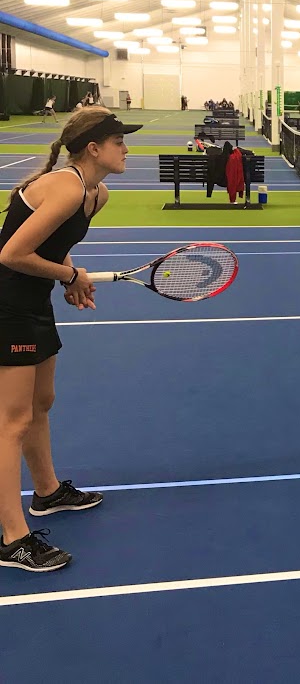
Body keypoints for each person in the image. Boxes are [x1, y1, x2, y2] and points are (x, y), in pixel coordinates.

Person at [0, 109, 142, 571]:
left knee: (41, 403)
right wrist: (69, 275)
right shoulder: (67, 187)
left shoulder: (97, 194)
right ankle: (13, 539)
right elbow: (11, 253)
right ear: (93, 149)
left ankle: (47, 492)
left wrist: (68, 276)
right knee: (12, 421)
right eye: (119, 142)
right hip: (7, 308)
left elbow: (54, 245)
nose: (126, 149)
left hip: (32, 302)